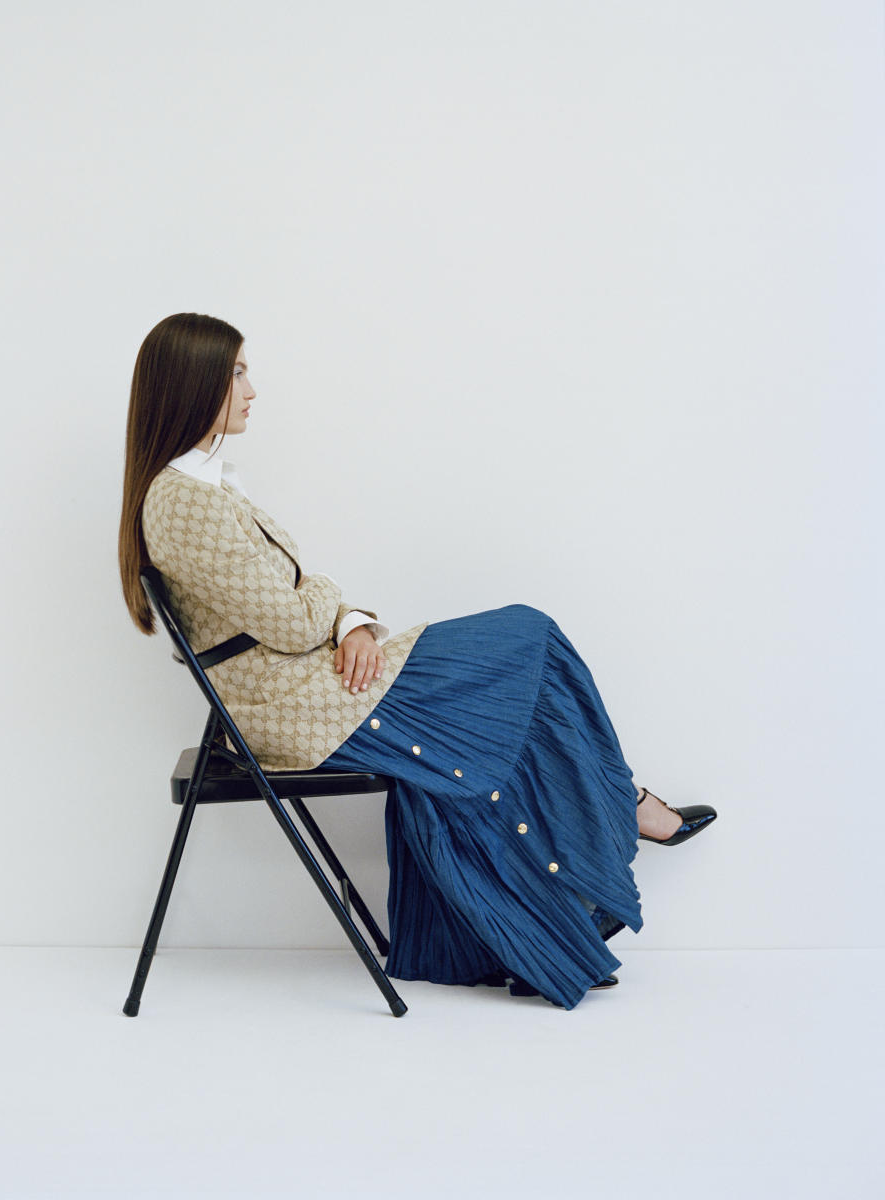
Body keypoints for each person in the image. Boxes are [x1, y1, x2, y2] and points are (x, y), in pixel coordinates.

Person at [119, 312, 717, 1009]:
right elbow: (289, 615)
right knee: (528, 639)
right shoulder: (184, 503)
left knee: (492, 710)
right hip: (294, 705)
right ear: (192, 385)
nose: (252, 388)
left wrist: (347, 621)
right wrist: (343, 612)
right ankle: (625, 810)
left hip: (314, 679)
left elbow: (291, 605)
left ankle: (539, 928)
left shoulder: (209, 488)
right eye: (237, 372)